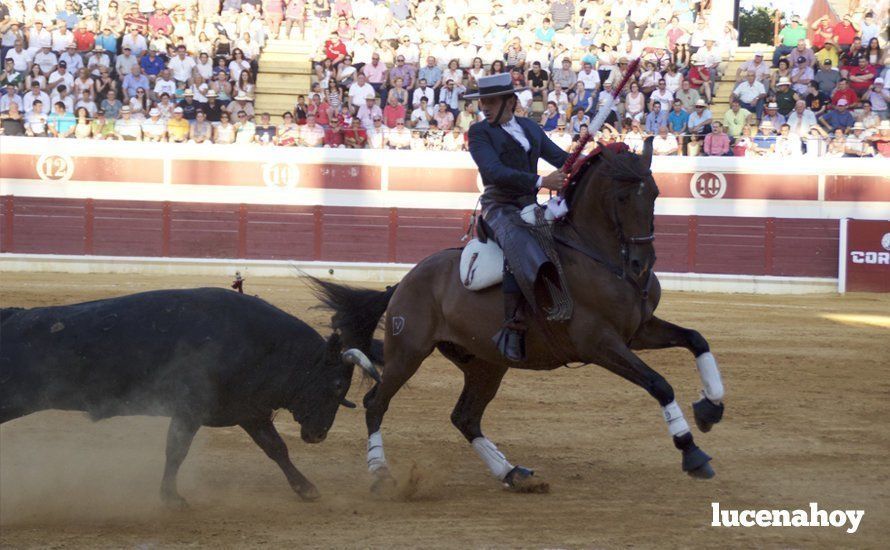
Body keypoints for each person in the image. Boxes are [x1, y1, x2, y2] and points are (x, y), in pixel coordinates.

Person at [463, 73, 569, 362]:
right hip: (498, 206)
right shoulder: (479, 132)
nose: (484, 106)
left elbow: (561, 158)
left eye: (491, 101)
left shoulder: (529, 128)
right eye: (482, 101)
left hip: (528, 205)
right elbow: (493, 172)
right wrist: (540, 181)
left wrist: (591, 159)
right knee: (518, 238)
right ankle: (512, 326)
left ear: (510, 101)